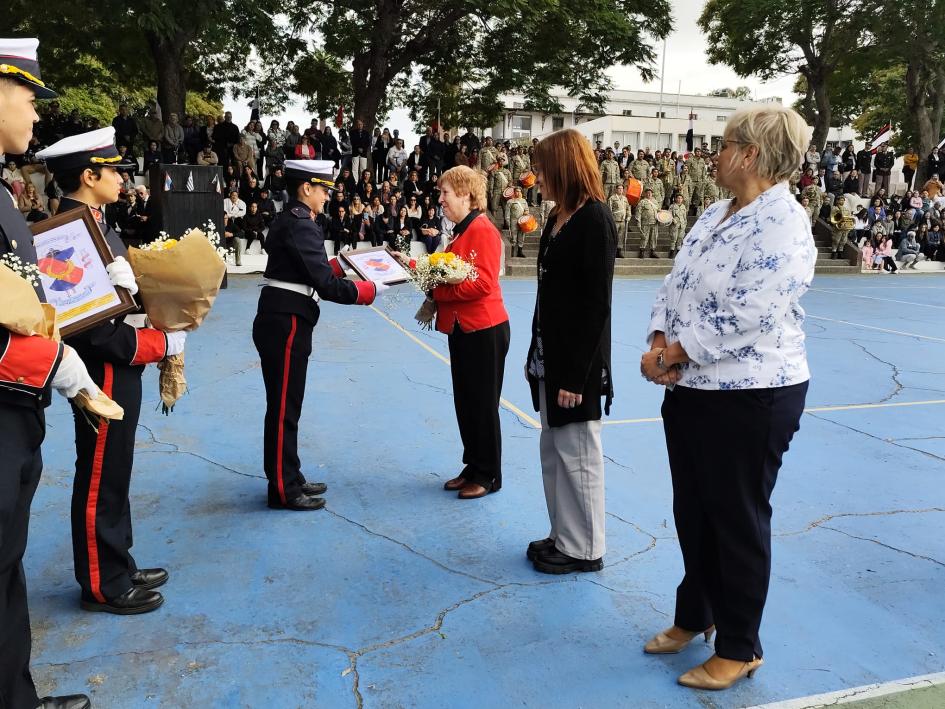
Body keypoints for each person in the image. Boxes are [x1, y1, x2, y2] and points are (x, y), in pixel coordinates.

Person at [641, 105, 816, 691]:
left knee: (736, 519)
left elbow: (747, 315)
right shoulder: (718, 212)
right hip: (693, 386)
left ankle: (741, 646)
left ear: (751, 154)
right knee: (694, 511)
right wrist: (661, 340)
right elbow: (675, 282)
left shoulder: (784, 225)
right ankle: (696, 613)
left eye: (723, 143)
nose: (712, 153)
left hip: (752, 394)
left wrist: (671, 356)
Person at [37, 128, 185, 616]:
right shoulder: (65, 232)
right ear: (88, 175)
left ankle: (117, 561)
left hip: (117, 364)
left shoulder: (97, 224)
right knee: (100, 472)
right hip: (99, 368)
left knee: (116, 470)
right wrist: (154, 343)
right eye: (114, 171)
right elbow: (90, 332)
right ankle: (102, 582)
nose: (123, 179)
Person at [0, 37, 104, 709]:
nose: (37, 114)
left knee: (6, 571)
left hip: (15, 413)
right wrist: (54, 361)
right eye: (29, 97)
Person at [253, 160, 382, 511]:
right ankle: (283, 488)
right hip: (287, 318)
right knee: (284, 407)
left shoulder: (296, 221)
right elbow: (325, 283)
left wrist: (360, 263)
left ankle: (289, 475)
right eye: (323, 189)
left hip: (284, 314)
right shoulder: (301, 224)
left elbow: (314, 267)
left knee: (286, 404)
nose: (327, 196)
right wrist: (369, 290)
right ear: (306, 188)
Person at [524, 129, 616, 574]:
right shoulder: (558, 216)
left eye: (542, 167)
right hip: (550, 355)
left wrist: (577, 377)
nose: (536, 175)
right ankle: (563, 533)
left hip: (576, 364)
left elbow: (595, 305)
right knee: (554, 450)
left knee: (579, 454)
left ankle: (585, 548)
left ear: (562, 166)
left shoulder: (595, 219)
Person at [424, 166, 510, 499]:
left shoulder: (483, 230)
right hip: (465, 328)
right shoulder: (462, 231)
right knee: (466, 401)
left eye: (445, 193)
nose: (441, 199)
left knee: (482, 404)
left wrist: (438, 292)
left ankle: (488, 474)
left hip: (484, 329)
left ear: (466, 193)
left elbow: (484, 283)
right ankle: (473, 464)